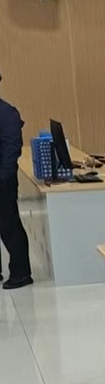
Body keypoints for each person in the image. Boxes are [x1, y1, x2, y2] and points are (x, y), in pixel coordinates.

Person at [0, 71, 32, 290]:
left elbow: (12, 149)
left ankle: (21, 273)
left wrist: (3, 178)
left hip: (3, 181)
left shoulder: (7, 113)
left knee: (9, 225)